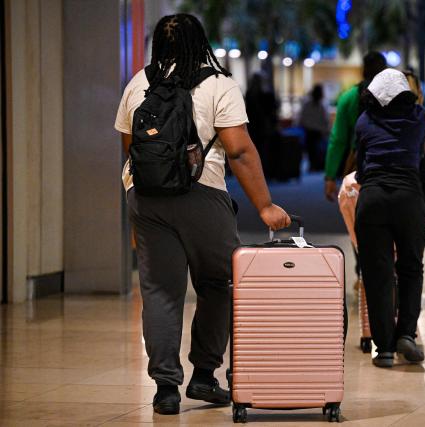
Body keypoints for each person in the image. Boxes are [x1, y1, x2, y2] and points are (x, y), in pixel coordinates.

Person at [114, 14, 290, 415]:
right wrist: (264, 204)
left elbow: (130, 145)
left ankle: (165, 389)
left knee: (159, 289)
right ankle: (204, 376)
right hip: (202, 194)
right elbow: (240, 149)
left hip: (147, 197)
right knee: (220, 281)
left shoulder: (138, 83)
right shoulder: (218, 85)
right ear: (201, 43)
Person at [353, 69, 425, 368]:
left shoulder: (364, 122)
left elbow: (360, 166)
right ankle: (406, 335)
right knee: (411, 267)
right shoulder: (418, 118)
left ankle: (383, 348)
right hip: (409, 199)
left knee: (377, 273)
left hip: (372, 200)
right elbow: (419, 155)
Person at [323, 51, 387, 202]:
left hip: (359, 164)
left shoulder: (349, 97)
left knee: (357, 215)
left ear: (363, 70)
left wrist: (330, 176)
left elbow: (338, 139)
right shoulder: (395, 97)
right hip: (393, 164)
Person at [245, 71, 280, 178]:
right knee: (265, 149)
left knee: (255, 149)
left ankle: (255, 172)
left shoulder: (249, 94)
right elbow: (273, 110)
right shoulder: (266, 95)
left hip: (253, 126)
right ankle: (266, 171)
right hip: (264, 127)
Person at [299, 84, 329, 171]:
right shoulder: (311, 105)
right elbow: (325, 121)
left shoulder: (319, 106)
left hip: (314, 131)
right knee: (313, 150)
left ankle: (315, 165)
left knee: (314, 150)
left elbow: (302, 119)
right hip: (312, 131)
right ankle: (314, 165)